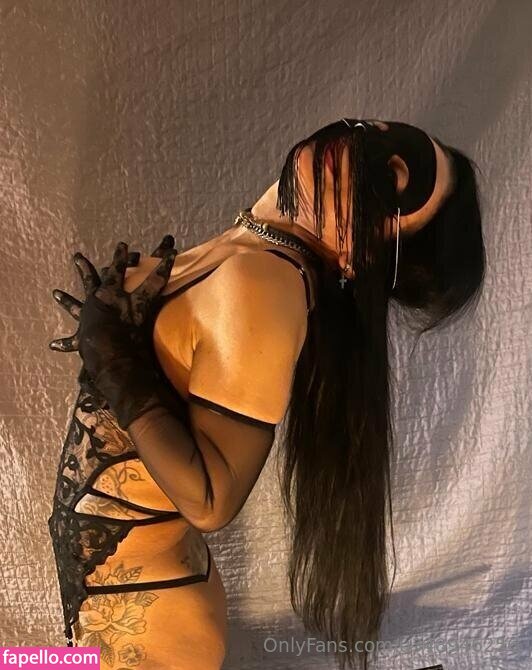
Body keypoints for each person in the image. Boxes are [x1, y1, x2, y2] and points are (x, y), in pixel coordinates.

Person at [47, 118, 485, 670]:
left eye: (395, 179)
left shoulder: (264, 282)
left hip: (147, 629)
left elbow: (211, 501)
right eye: (377, 129)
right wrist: (115, 348)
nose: (363, 143)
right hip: (118, 610)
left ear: (360, 258)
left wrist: (113, 361)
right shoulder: (250, 253)